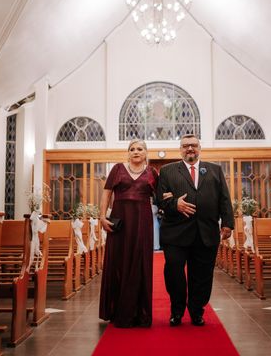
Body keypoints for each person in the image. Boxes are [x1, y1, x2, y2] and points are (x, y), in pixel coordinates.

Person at [156, 134, 234, 327]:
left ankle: (197, 311)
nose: (189, 149)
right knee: (174, 271)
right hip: (175, 233)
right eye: (185, 146)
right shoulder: (167, 171)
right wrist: (175, 204)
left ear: (200, 147)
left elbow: (224, 198)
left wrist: (228, 223)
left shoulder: (214, 170)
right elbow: (160, 198)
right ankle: (177, 311)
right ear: (180, 149)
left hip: (206, 232)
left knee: (202, 275)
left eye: (193, 145)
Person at [99, 139, 158, 328]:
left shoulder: (153, 173)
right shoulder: (117, 169)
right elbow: (107, 193)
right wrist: (101, 216)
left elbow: (162, 195)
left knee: (140, 262)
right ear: (128, 153)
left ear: (146, 152)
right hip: (120, 221)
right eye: (132, 149)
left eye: (140, 149)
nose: (135, 151)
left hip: (143, 221)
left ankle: (140, 313)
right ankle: (119, 311)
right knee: (119, 262)